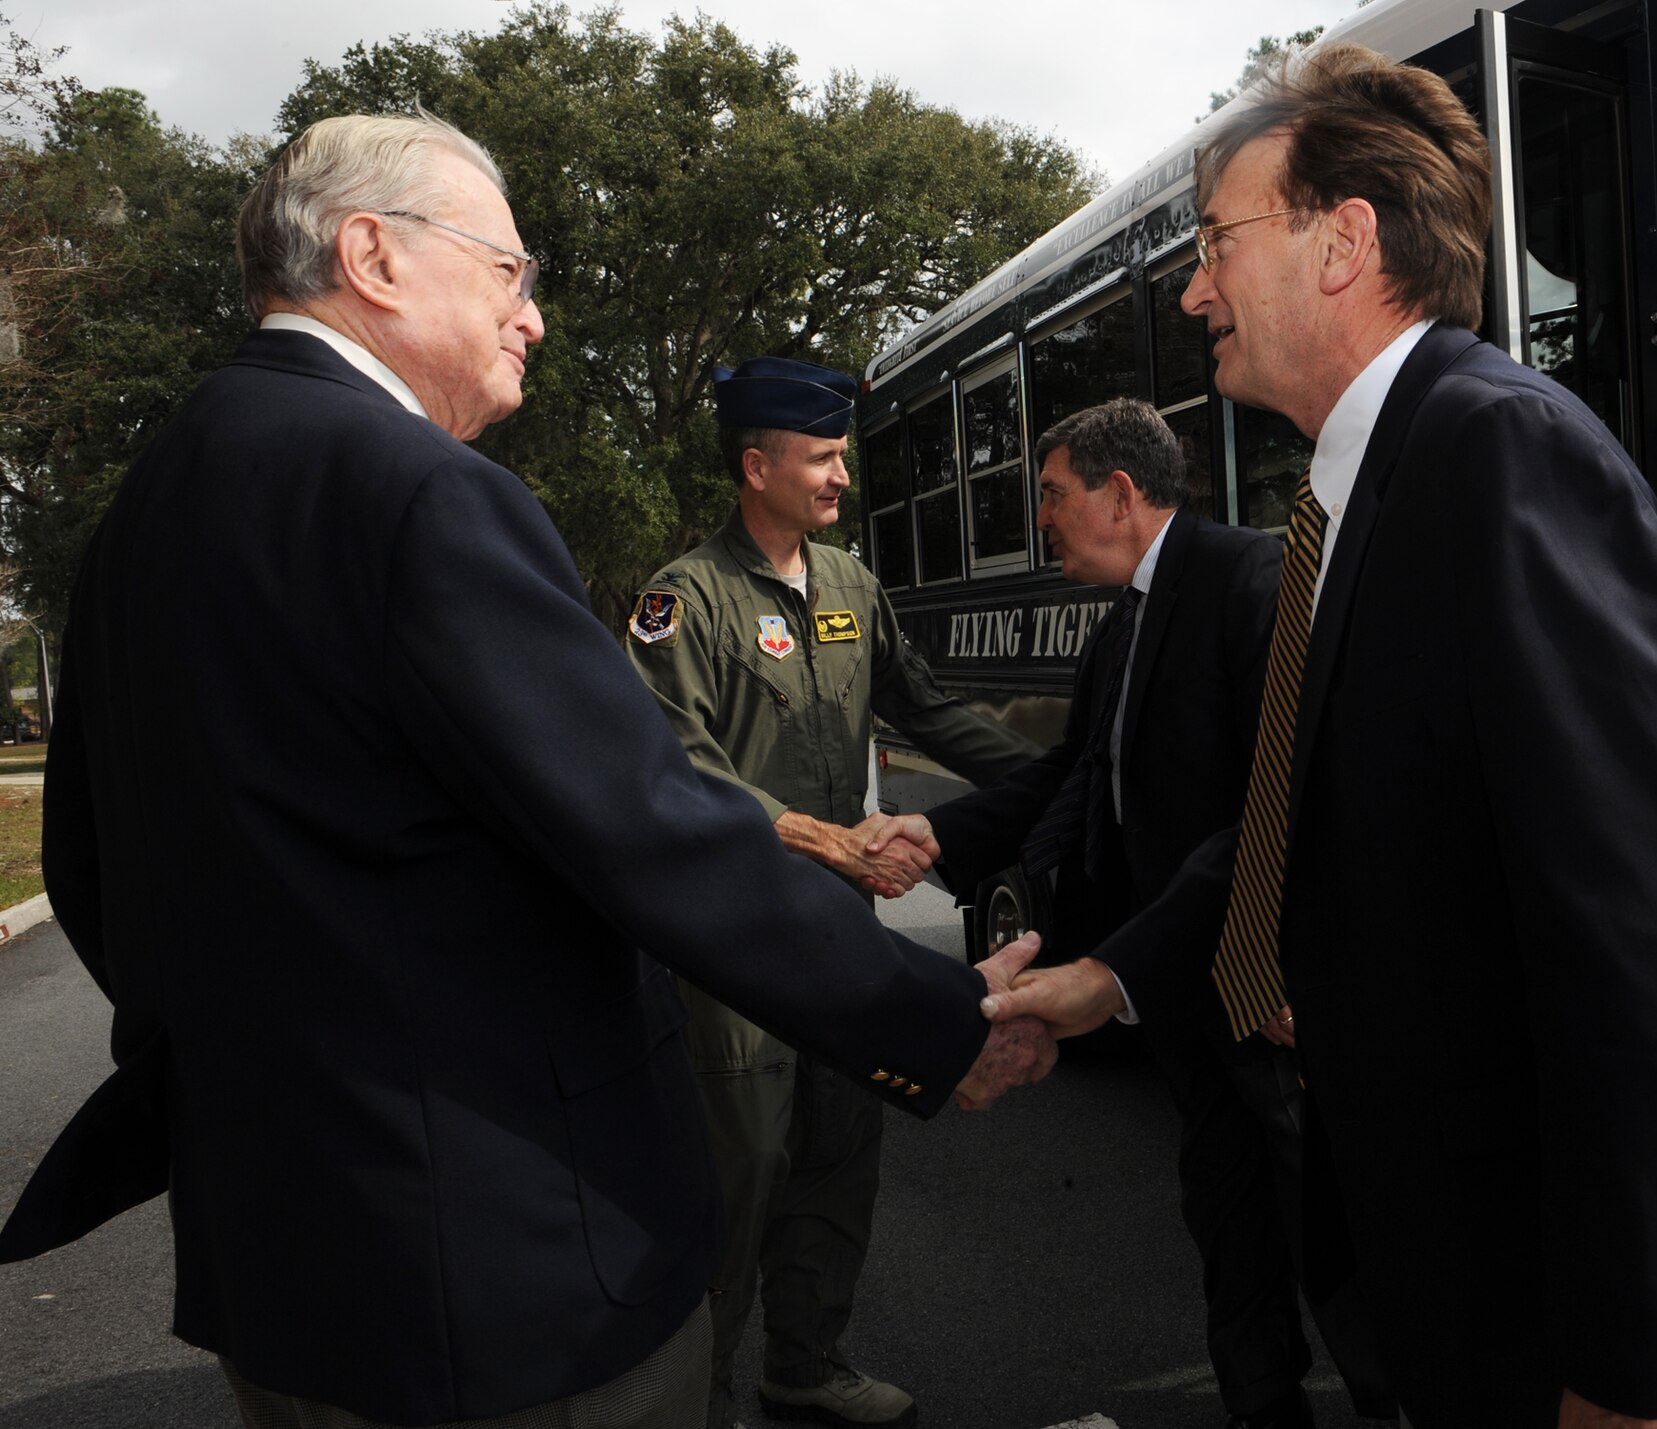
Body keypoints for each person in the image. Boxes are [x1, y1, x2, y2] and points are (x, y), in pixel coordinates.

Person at [0, 113, 1054, 1429]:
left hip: (282, 1261)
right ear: (373, 255)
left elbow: (95, 869)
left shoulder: (149, 507)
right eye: (510, 273)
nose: (534, 318)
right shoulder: (420, 492)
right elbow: (652, 831)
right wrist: (938, 1018)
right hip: (507, 1279)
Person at [979, 43, 1657, 1429]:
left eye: (1216, 242)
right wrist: (1107, 980)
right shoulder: (1347, 497)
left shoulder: (1501, 454)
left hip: (1556, 1321)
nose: (1193, 290)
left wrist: (1645, 1366)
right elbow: (1296, 820)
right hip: (1444, 1272)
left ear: (1345, 240)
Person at [887, 397, 1385, 1427]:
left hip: (1264, 989)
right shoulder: (1126, 619)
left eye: (1053, 498)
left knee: (1338, 1240)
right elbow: (1079, 772)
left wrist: (1113, 970)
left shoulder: (1252, 582)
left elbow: (1273, 809)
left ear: (1119, 494)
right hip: (1187, 993)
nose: (1042, 525)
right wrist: (940, 840)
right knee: (1229, 1227)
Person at [624, 356, 1042, 1429]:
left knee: (841, 1146)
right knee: (743, 1166)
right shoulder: (683, 600)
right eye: (821, 459)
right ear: (755, 465)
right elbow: (674, 765)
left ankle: (803, 1363)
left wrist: (1060, 783)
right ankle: (698, 1399)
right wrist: (829, 843)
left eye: (841, 458)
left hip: (838, 929)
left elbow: (928, 712)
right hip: (732, 941)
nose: (840, 479)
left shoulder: (853, 584)